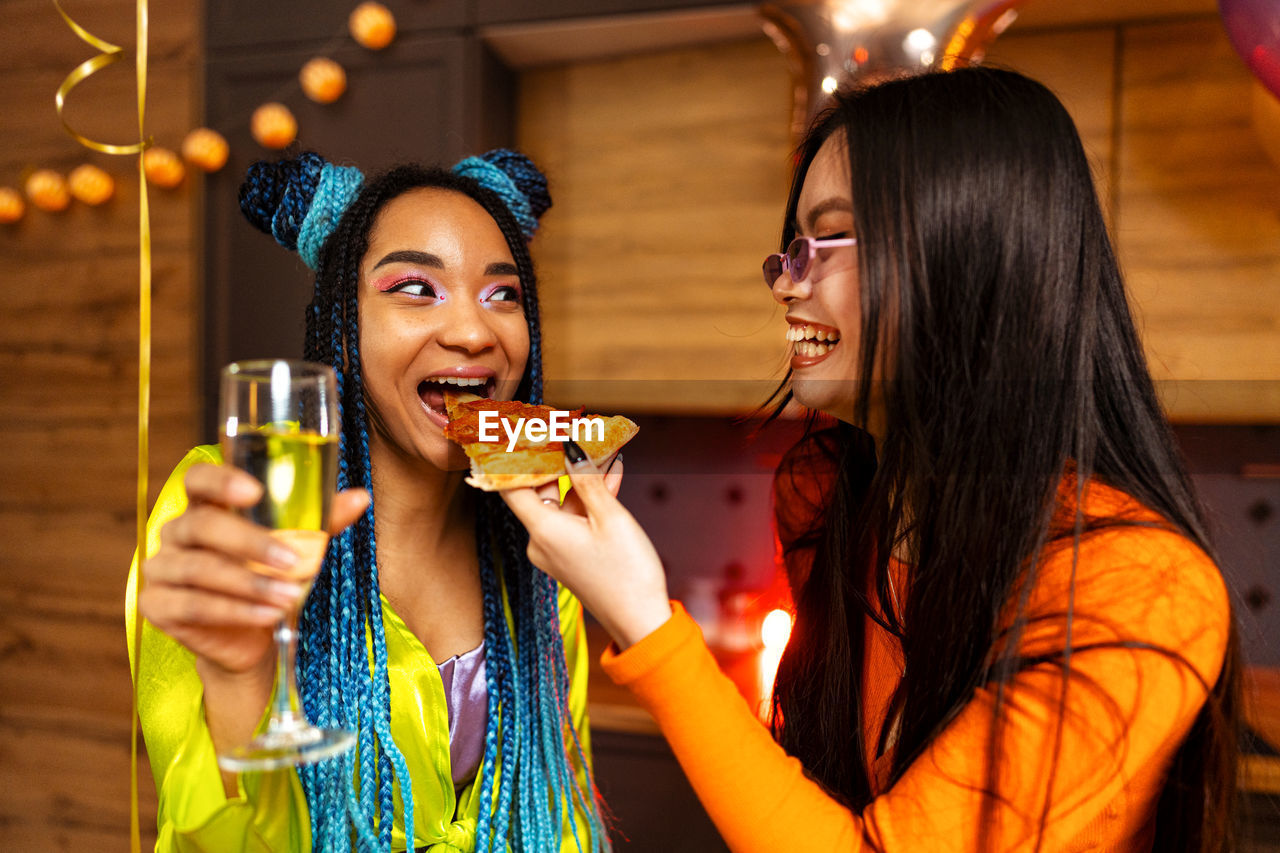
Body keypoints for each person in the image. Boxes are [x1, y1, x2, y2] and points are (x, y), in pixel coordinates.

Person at [502, 67, 1239, 852]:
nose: (787, 282)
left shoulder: (1144, 586)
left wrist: (643, 619)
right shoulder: (832, 496)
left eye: (829, 239)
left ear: (970, 253)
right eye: (791, 248)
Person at [126, 149, 615, 852]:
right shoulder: (240, 505)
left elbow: (563, 814)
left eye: (502, 294)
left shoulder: (539, 523)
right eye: (416, 288)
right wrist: (242, 685)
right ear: (343, 331)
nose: (475, 332)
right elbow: (211, 835)